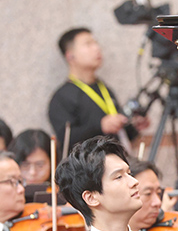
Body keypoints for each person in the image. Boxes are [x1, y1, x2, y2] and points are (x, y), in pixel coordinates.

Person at [48, 27, 148, 157]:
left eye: (96, 43)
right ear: (70, 56)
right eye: (88, 44)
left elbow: (119, 136)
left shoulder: (104, 88)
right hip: (87, 167)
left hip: (117, 161)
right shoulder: (62, 97)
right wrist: (100, 126)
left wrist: (134, 127)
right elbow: (67, 139)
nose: (97, 48)